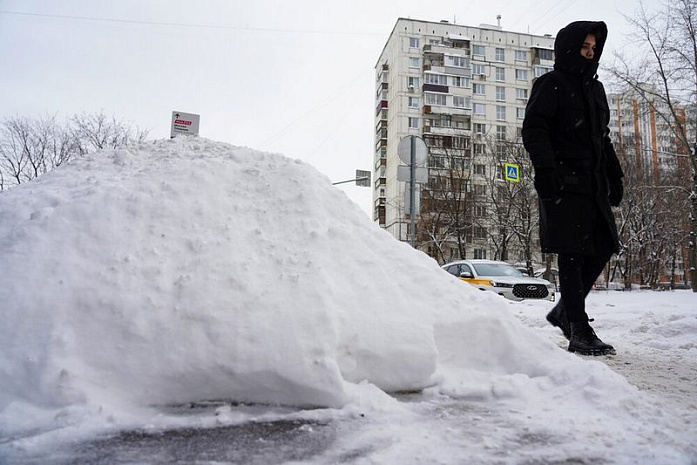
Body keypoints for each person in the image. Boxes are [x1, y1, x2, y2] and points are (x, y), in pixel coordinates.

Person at [522, 21, 624, 356]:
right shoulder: (550, 85)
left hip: (593, 184)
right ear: (569, 48)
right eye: (585, 47)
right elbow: (535, 129)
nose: (590, 53)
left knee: (605, 245)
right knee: (572, 253)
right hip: (563, 181)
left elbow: (602, 137)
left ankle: (565, 310)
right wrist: (547, 170)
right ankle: (578, 328)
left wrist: (614, 174)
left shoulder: (596, 90)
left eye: (594, 48)